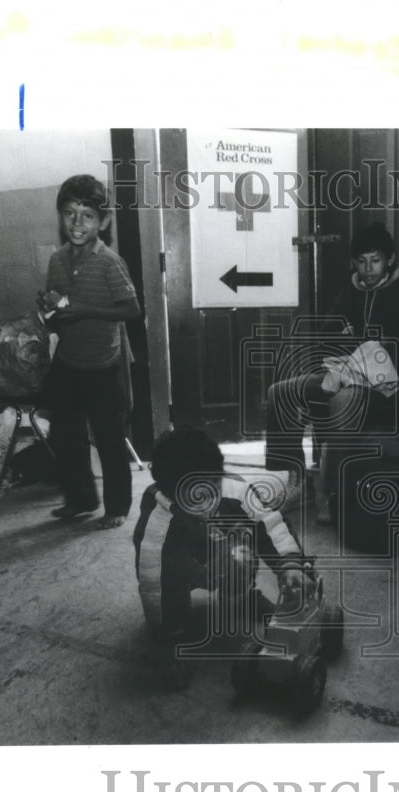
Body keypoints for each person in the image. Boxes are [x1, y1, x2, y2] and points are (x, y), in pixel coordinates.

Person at [263, 222, 399, 520]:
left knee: (341, 402)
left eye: (375, 260)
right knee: (280, 393)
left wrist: (359, 340)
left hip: (385, 383)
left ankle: (329, 489)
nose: (368, 268)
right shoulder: (352, 290)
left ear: (389, 260)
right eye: (361, 261)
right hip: (346, 372)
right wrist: (359, 341)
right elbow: (327, 335)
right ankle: (298, 480)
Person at [133, 428, 307, 690]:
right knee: (164, 572)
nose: (207, 501)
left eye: (212, 486)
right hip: (183, 565)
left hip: (221, 550)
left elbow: (271, 525)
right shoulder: (158, 521)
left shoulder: (236, 490)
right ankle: (174, 625)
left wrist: (290, 565)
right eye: (192, 496)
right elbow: (153, 581)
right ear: (168, 492)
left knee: (243, 546)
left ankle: (243, 596)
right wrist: (168, 640)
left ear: (220, 475)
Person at [39, 174, 140, 529]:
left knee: (110, 438)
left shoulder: (109, 262)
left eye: (87, 216)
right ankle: (81, 499)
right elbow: (56, 305)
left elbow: (131, 310)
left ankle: (117, 507)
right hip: (69, 360)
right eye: (69, 214)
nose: (76, 223)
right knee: (65, 436)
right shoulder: (57, 261)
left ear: (104, 222)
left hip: (104, 363)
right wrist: (50, 311)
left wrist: (85, 310)